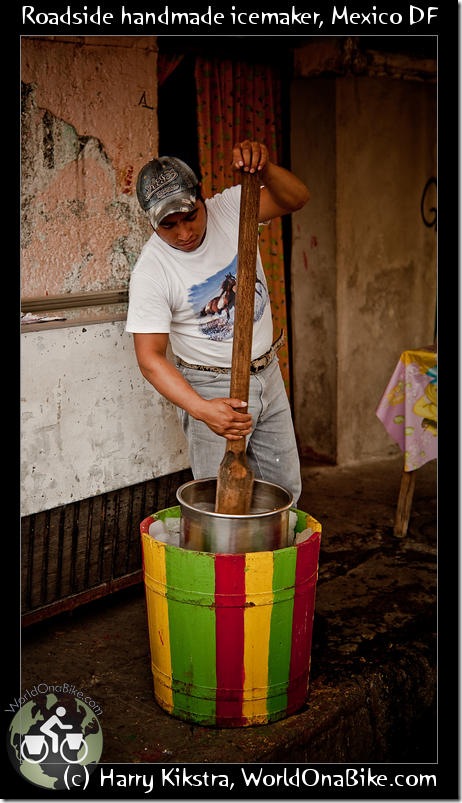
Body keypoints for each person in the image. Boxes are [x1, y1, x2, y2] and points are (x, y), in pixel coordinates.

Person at [126, 139, 309, 506]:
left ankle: (270, 562)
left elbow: (296, 198)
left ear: (201, 198)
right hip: (209, 385)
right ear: (152, 222)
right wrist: (202, 408)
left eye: (190, 216)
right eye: (169, 225)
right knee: (220, 503)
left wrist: (265, 169)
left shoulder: (233, 207)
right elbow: (150, 357)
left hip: (267, 374)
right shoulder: (152, 270)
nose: (183, 233)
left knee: (285, 491)